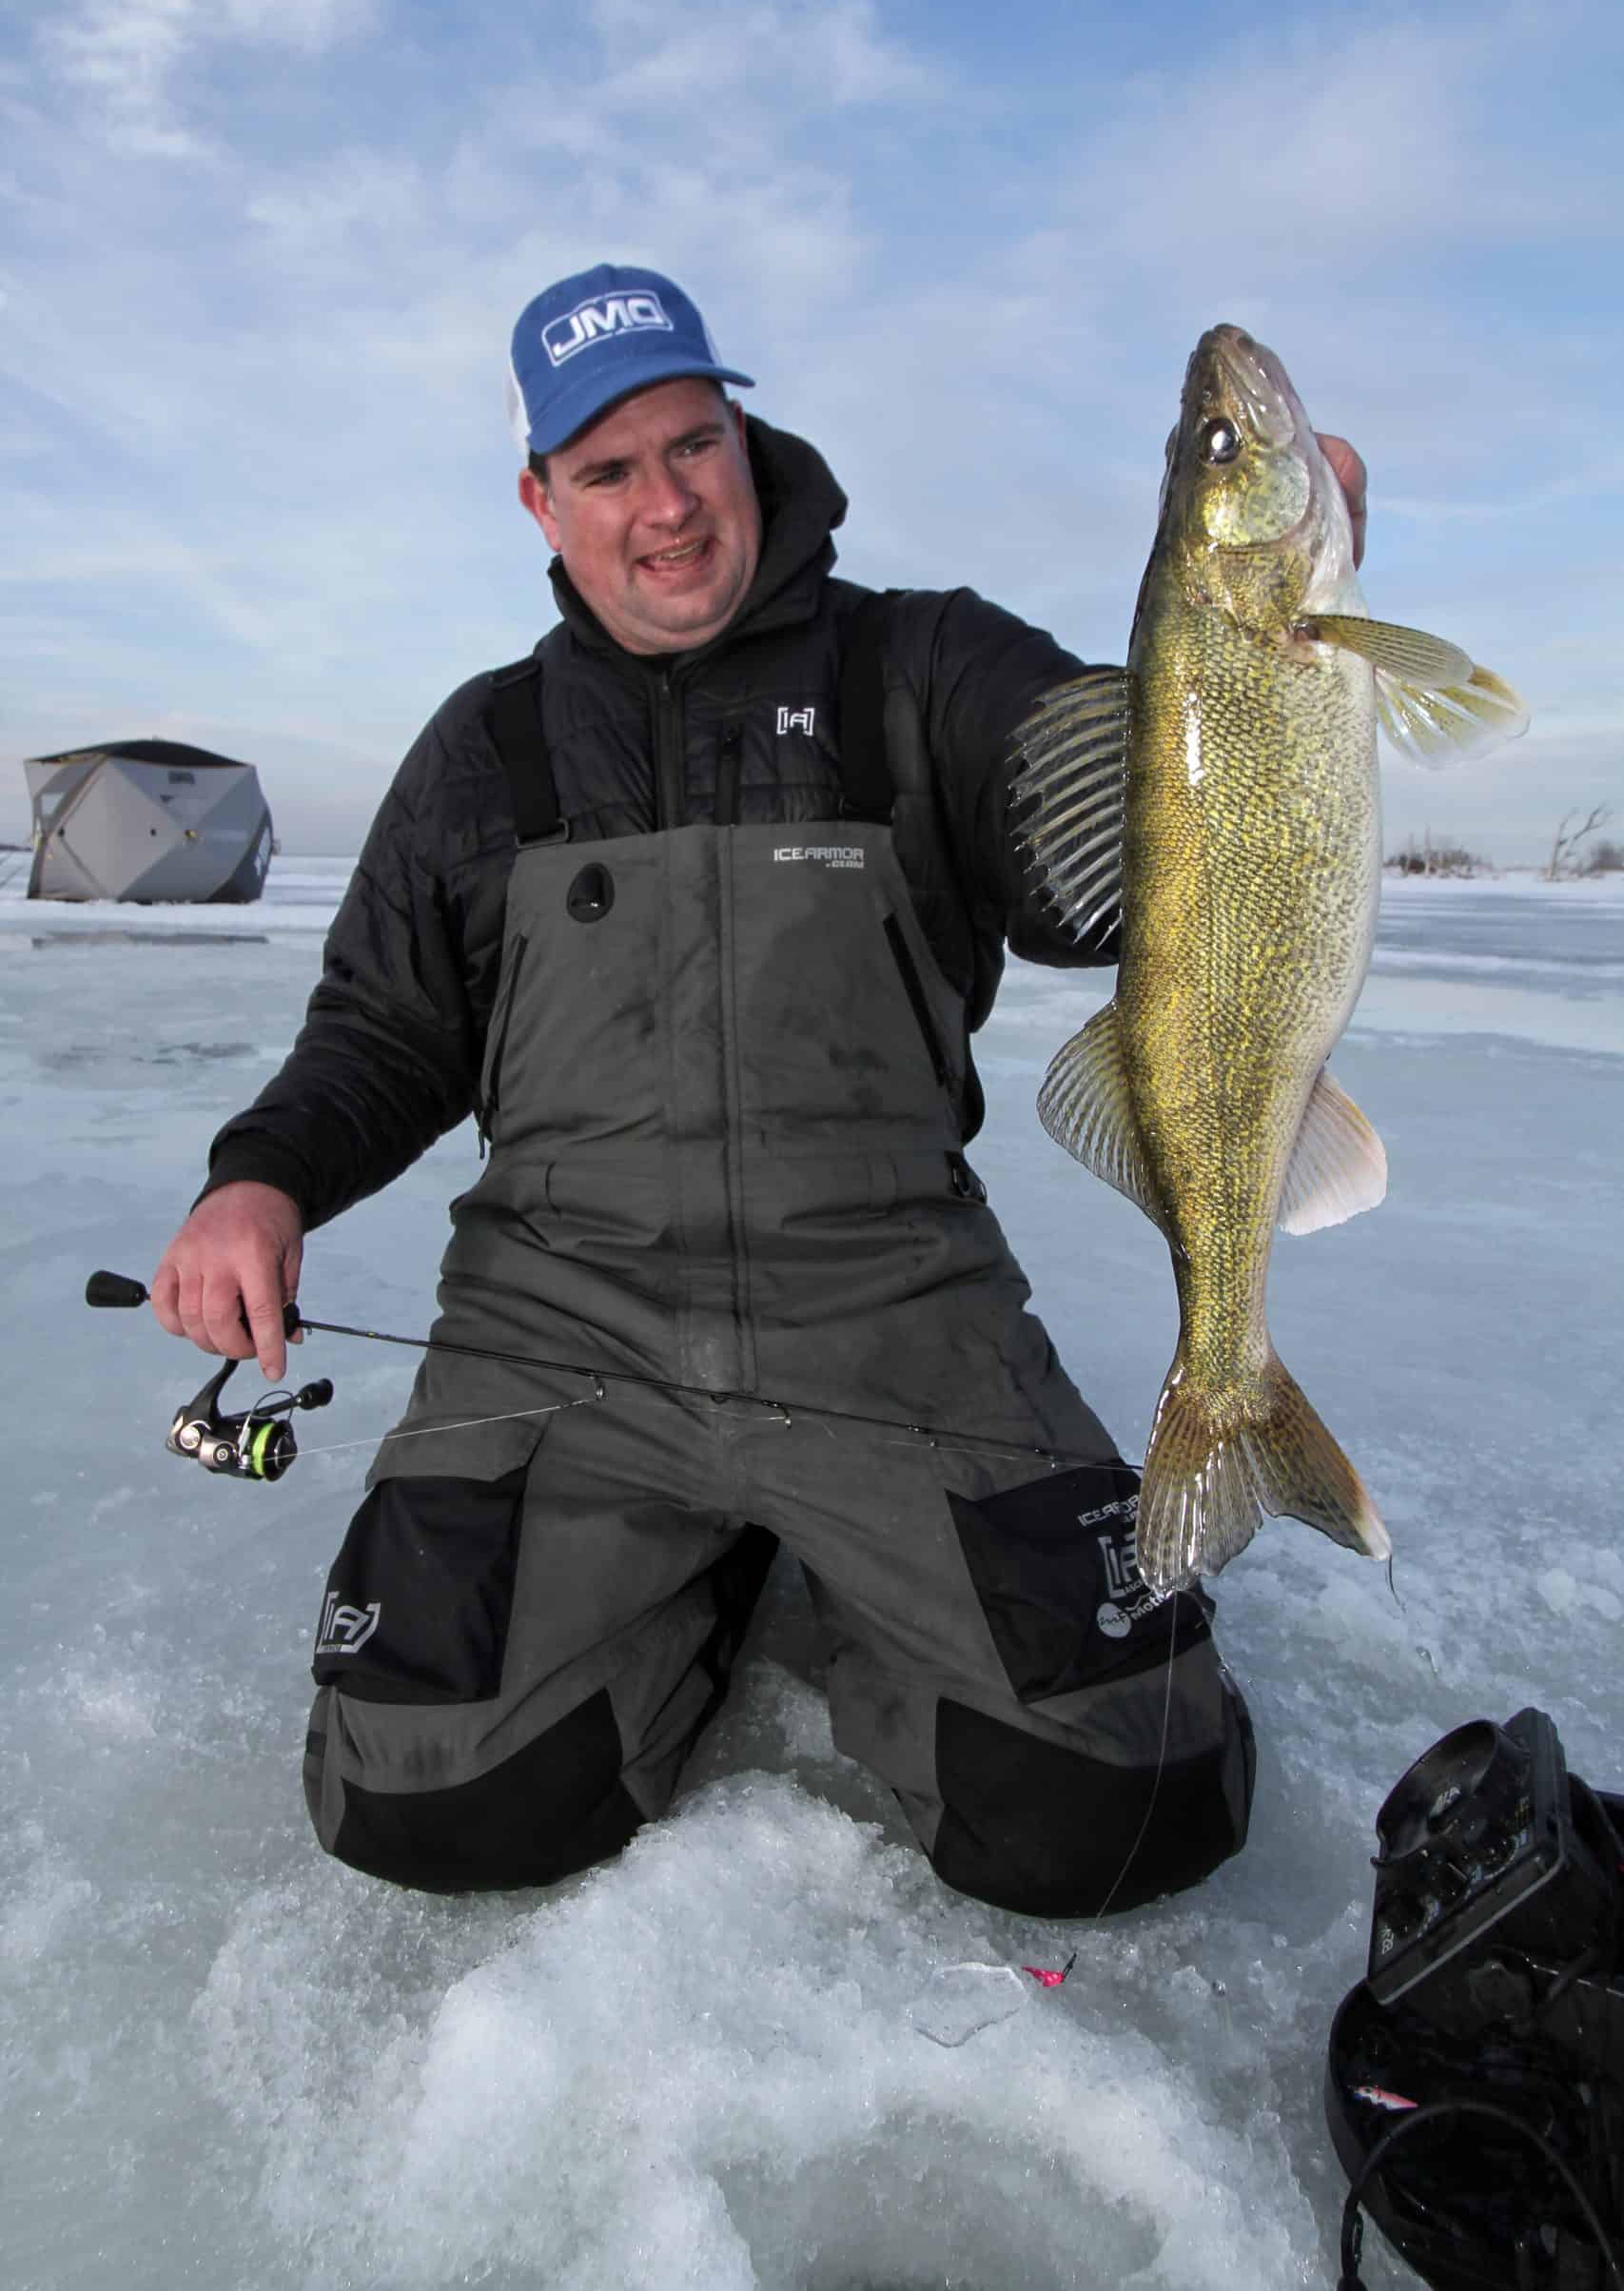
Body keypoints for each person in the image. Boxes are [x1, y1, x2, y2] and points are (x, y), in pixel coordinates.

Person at [152, 264, 1365, 1914]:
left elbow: (1128, 868)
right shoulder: (484, 748)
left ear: (745, 438)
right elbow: (385, 1027)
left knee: (1125, 1802)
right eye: (609, 470)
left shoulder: (923, 670)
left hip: (893, 1308)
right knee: (425, 1800)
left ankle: (847, 1560)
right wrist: (261, 1180)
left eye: (694, 445)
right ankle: (707, 1570)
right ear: (541, 502)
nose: (667, 504)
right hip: (562, 1324)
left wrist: (1269, 656)